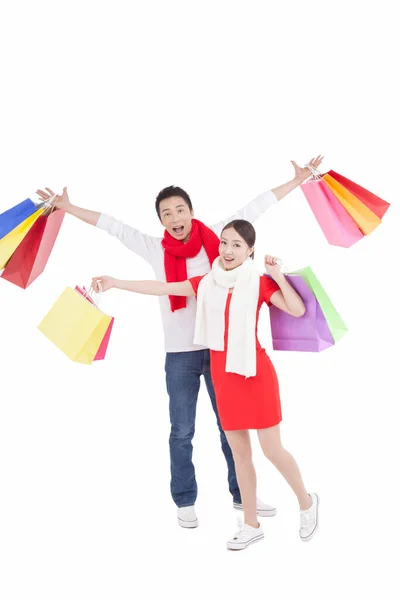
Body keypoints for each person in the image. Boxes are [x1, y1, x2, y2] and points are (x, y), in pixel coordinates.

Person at [37, 155, 323, 529]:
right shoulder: (156, 249)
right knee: (182, 430)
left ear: (191, 211)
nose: (174, 218)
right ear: (161, 220)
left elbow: (257, 207)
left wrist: (298, 181)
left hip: (224, 353)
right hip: (180, 355)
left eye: (180, 210)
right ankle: (185, 500)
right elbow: (114, 228)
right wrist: (69, 208)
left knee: (231, 430)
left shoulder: (219, 240)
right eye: (166, 213)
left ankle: (243, 498)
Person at [90, 219, 319, 550]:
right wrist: (116, 282)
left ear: (250, 250)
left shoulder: (258, 283)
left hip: (256, 374)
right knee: (240, 454)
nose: (227, 250)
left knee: (272, 450)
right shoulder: (207, 282)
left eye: (237, 245)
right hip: (224, 376)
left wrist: (278, 275)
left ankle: (307, 502)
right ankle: (251, 524)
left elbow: (297, 310)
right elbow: (162, 288)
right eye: (224, 242)